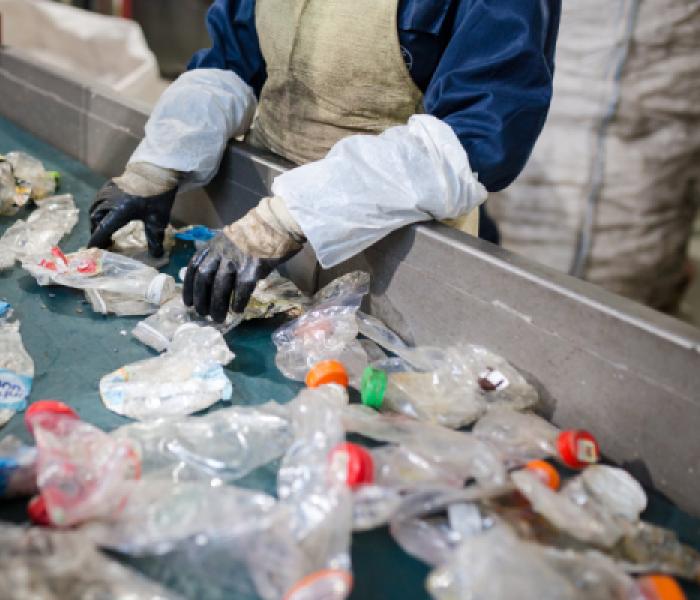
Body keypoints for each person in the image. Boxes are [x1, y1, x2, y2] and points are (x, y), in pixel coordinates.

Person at [88, 0, 561, 323]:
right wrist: (160, 163)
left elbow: (471, 144)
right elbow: (232, 62)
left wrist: (284, 220)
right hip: (252, 238)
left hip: (398, 263)